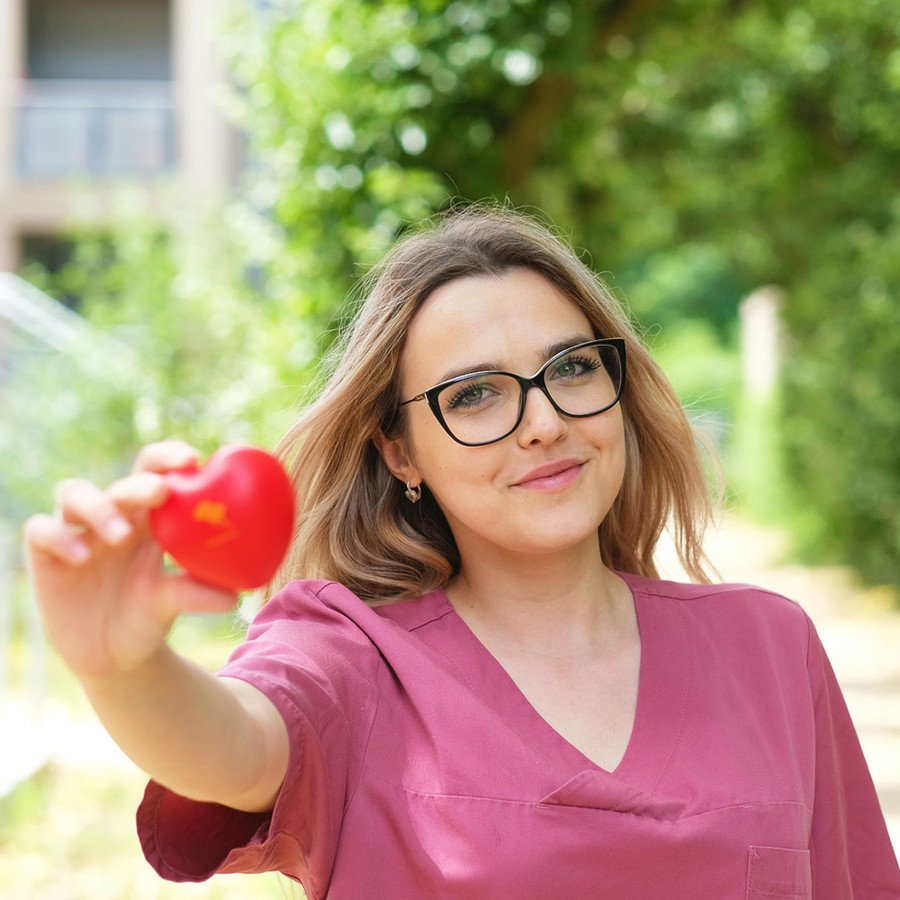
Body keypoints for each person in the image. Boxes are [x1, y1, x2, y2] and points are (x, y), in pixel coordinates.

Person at [25, 205, 899, 898]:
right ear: (399, 451)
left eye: (573, 369)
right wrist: (122, 671)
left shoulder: (769, 646)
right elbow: (236, 744)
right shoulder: (353, 660)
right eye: (475, 395)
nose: (546, 424)